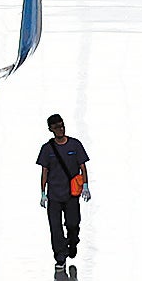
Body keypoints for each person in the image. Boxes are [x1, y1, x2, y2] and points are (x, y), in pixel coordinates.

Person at [36, 113, 90, 267]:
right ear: (50, 130)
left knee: (73, 223)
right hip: (54, 195)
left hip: (71, 194)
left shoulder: (75, 145)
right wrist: (42, 192)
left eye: (62, 125)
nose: (60, 129)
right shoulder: (47, 149)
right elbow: (44, 171)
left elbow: (83, 166)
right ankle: (60, 255)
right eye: (56, 127)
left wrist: (85, 185)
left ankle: (73, 241)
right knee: (55, 227)